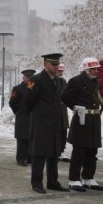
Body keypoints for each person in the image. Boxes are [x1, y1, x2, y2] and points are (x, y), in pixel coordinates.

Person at [23, 53, 70, 194]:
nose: (56, 67)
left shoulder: (58, 80)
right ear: (45, 64)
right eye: (53, 64)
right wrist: (39, 113)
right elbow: (27, 102)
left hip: (55, 123)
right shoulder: (36, 80)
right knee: (39, 154)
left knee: (54, 154)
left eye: (57, 65)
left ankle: (52, 182)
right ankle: (37, 183)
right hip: (41, 123)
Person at [63, 57, 103, 192]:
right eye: (93, 69)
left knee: (92, 150)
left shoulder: (97, 83)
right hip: (82, 118)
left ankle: (88, 177)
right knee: (79, 150)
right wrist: (75, 106)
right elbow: (65, 97)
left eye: (96, 69)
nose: (95, 71)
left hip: (94, 119)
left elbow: (101, 98)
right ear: (86, 69)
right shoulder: (76, 81)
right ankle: (74, 179)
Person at [9, 69, 35, 166]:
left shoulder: (33, 87)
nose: (29, 80)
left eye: (31, 78)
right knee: (22, 138)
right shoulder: (17, 88)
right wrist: (18, 112)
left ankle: (29, 158)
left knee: (30, 138)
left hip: (32, 117)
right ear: (24, 78)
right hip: (22, 117)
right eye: (28, 78)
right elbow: (12, 103)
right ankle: (21, 158)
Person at [56, 63, 70, 162]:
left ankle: (62, 150)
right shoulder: (50, 82)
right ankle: (56, 151)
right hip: (54, 112)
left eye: (62, 71)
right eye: (59, 71)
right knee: (55, 133)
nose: (61, 73)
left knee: (63, 132)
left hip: (63, 112)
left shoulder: (63, 81)